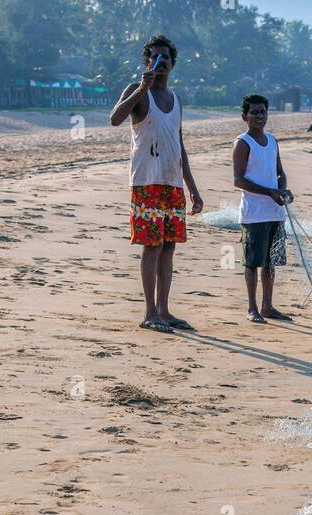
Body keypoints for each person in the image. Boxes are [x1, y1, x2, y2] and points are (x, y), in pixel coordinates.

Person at [110, 35, 203, 333]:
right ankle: (150, 312)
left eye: (165, 58)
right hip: (146, 182)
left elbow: (180, 144)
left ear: (173, 64)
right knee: (152, 246)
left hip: (172, 183)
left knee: (169, 247)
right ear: (147, 61)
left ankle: (164, 310)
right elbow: (114, 119)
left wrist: (193, 188)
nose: (160, 62)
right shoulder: (138, 92)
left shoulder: (175, 100)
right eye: (155, 57)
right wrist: (141, 88)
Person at [233, 95, 294, 324]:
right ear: (244, 116)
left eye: (263, 112)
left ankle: (268, 306)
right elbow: (238, 180)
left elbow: (279, 171)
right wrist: (269, 192)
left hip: (275, 212)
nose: (259, 116)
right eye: (255, 112)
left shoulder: (272, 140)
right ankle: (252, 307)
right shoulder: (243, 143)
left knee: (270, 262)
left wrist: (283, 189)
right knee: (252, 262)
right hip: (254, 214)